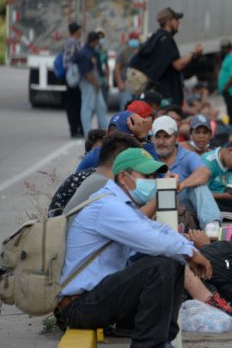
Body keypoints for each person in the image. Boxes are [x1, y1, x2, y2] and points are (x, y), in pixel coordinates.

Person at [55, 148, 212, 348]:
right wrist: (191, 252)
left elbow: (156, 228)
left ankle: (164, 340)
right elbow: (151, 239)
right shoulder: (108, 207)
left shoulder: (122, 204)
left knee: (171, 262)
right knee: (160, 266)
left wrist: (188, 249)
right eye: (146, 176)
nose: (153, 181)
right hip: (80, 307)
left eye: (155, 176)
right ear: (123, 177)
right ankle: (149, 345)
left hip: (97, 298)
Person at [150, 116, 222, 237]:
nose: (161, 142)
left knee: (199, 186)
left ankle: (211, 226)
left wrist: (182, 184)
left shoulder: (187, 155)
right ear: (152, 138)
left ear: (176, 138)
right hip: (155, 209)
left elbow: (204, 173)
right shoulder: (148, 156)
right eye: (157, 137)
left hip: (185, 210)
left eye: (166, 137)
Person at [129, 7, 204, 106]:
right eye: (176, 20)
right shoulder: (165, 39)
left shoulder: (158, 36)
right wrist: (194, 53)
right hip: (164, 92)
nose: (178, 23)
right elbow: (177, 65)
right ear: (169, 22)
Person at [76, 110, 154, 172]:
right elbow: (158, 178)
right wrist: (144, 138)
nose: (115, 144)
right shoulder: (98, 155)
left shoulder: (96, 153)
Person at [73, 31, 108, 137]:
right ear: (94, 41)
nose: (98, 42)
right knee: (87, 107)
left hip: (95, 84)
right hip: (89, 84)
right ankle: (87, 132)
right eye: (97, 40)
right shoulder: (85, 53)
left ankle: (105, 131)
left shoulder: (92, 51)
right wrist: (95, 83)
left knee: (101, 108)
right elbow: (86, 72)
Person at [63, 22, 83, 138]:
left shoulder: (75, 43)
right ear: (76, 32)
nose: (80, 33)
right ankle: (74, 130)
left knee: (76, 103)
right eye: (79, 30)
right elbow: (67, 61)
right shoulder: (72, 43)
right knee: (73, 104)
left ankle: (77, 129)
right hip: (72, 78)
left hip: (74, 78)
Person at [114, 31, 141, 110]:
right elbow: (117, 68)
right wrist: (120, 83)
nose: (135, 40)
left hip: (138, 84)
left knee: (137, 108)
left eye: (136, 38)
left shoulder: (142, 51)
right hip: (126, 83)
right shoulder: (124, 52)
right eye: (133, 38)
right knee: (125, 106)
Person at [95, 28, 110, 106]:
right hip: (94, 80)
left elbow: (107, 67)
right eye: (98, 37)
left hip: (102, 79)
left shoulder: (104, 51)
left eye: (102, 37)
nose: (100, 39)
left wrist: (107, 81)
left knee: (103, 103)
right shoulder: (92, 51)